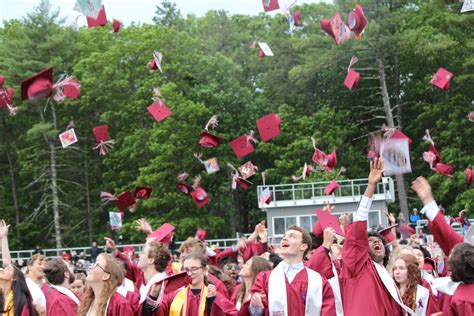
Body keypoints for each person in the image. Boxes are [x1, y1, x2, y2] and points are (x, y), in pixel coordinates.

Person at [339, 158, 414, 315]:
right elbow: (358, 227)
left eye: (379, 241)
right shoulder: (358, 266)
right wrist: (371, 186)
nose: (376, 243)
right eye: (370, 241)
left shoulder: (388, 279)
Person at [249, 225, 336, 315]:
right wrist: (255, 306)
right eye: (284, 237)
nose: (285, 238)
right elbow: (256, 312)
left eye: (292, 236)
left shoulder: (318, 281)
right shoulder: (264, 278)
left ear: (303, 246)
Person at [143, 252, 238, 315]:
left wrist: (211, 303)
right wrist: (153, 295)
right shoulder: (173, 297)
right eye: (186, 269)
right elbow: (152, 313)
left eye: (194, 269)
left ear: (205, 270)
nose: (189, 273)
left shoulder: (215, 296)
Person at [0, 219, 38, 316]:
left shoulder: (21, 303)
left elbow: (7, 263)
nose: (2, 269)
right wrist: (3, 238)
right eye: (4, 268)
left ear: (13, 278)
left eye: (7, 269)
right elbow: (7, 263)